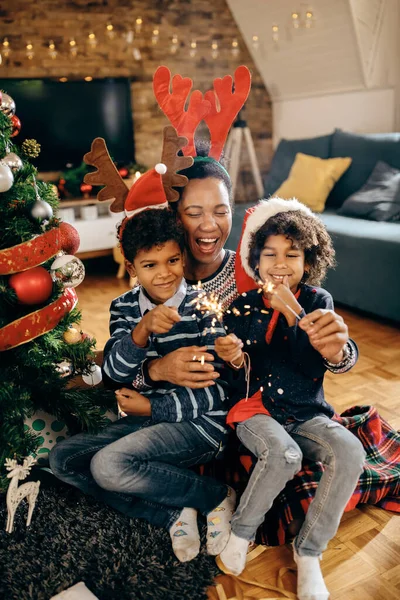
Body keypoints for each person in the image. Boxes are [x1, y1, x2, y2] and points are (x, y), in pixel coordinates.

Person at [50, 207, 236, 563]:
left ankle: (214, 496)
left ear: (183, 258)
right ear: (132, 269)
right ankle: (171, 513)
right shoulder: (123, 307)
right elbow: (118, 373)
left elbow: (215, 390)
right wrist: (142, 331)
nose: (165, 274)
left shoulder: (203, 307)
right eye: (150, 265)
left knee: (107, 466)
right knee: (63, 459)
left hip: (201, 424)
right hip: (146, 418)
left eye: (173, 260)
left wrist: (153, 406)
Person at [214, 197, 366, 600]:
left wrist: (334, 349)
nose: (280, 264)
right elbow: (235, 370)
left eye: (292, 254)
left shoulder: (318, 303)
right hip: (254, 409)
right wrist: (231, 357)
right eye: (270, 254)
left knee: (350, 450)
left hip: (304, 412)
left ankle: (310, 553)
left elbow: (336, 355)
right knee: (284, 454)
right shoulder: (240, 307)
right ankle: (240, 532)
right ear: (256, 260)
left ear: (308, 260)